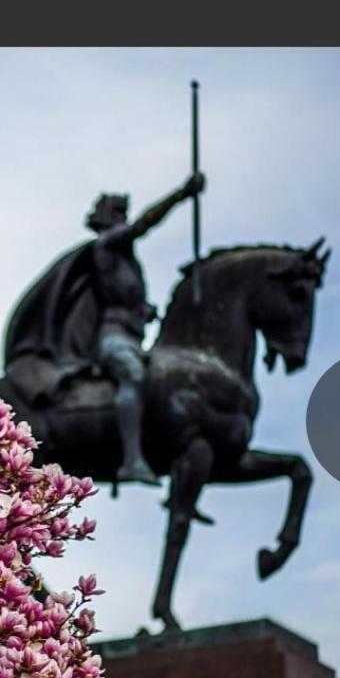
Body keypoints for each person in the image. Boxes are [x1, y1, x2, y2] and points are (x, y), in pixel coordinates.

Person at [88, 172, 205, 484]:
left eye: (124, 214)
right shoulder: (106, 244)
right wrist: (180, 194)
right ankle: (131, 460)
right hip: (113, 338)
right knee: (134, 376)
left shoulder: (125, 259)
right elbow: (142, 225)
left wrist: (145, 310)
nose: (125, 220)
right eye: (119, 214)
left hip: (134, 337)